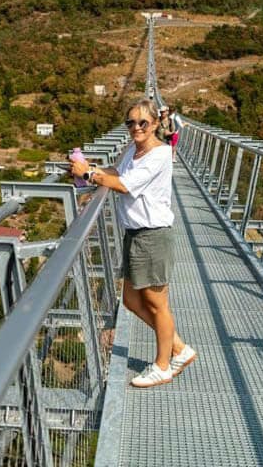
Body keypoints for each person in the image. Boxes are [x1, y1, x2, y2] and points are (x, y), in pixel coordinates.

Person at [70, 98, 196, 387]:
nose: (136, 127)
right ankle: (179, 348)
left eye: (143, 122)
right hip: (134, 235)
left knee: (157, 303)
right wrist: (90, 168)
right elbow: (117, 173)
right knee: (130, 300)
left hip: (152, 236)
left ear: (155, 123)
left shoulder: (159, 154)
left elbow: (125, 185)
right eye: (131, 123)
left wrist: (88, 174)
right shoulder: (133, 150)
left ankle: (163, 366)